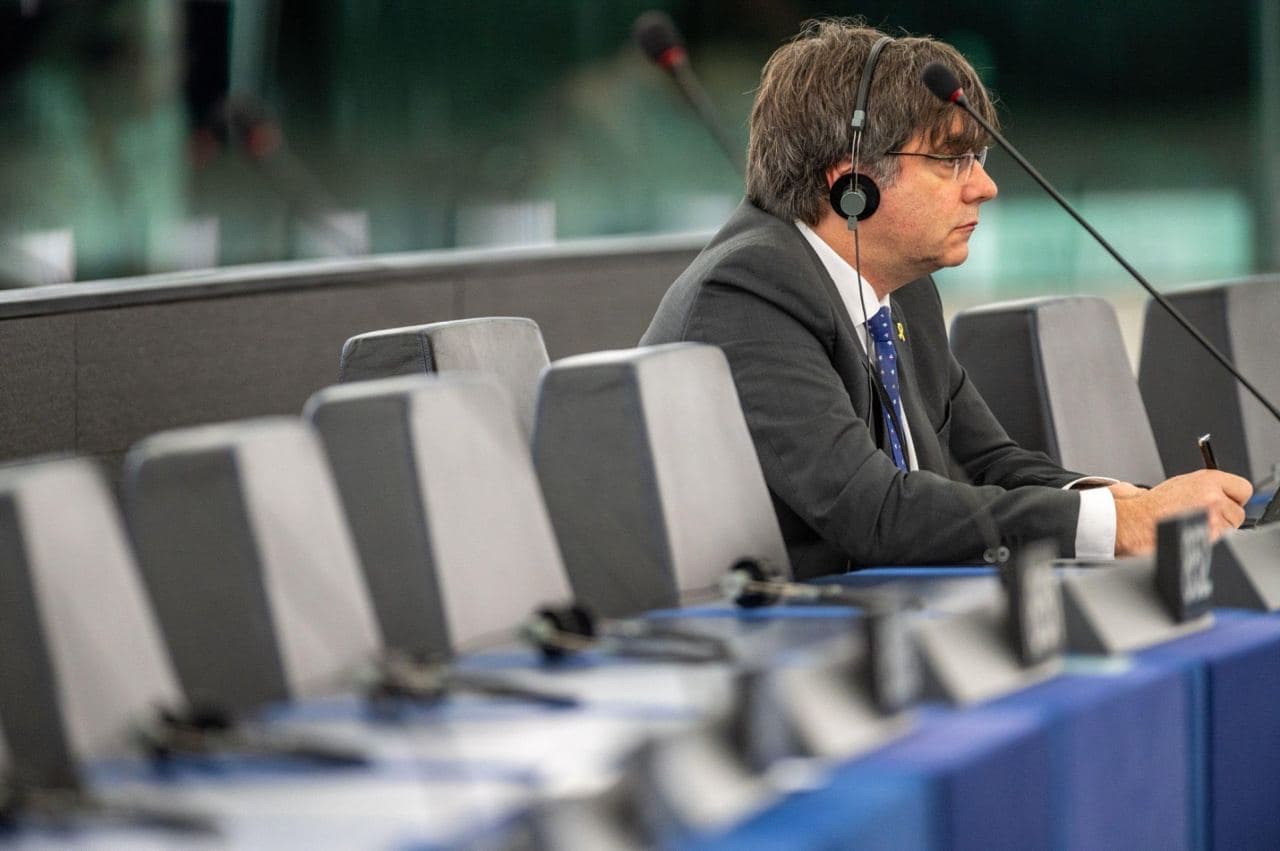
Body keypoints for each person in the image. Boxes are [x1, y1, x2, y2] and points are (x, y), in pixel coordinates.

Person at [639, 19, 1250, 579]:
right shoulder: (748, 291)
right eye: (953, 160)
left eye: (977, 158)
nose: (985, 187)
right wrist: (1117, 527)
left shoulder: (905, 290)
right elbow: (873, 512)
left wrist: (1130, 503)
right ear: (851, 180)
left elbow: (990, 464)